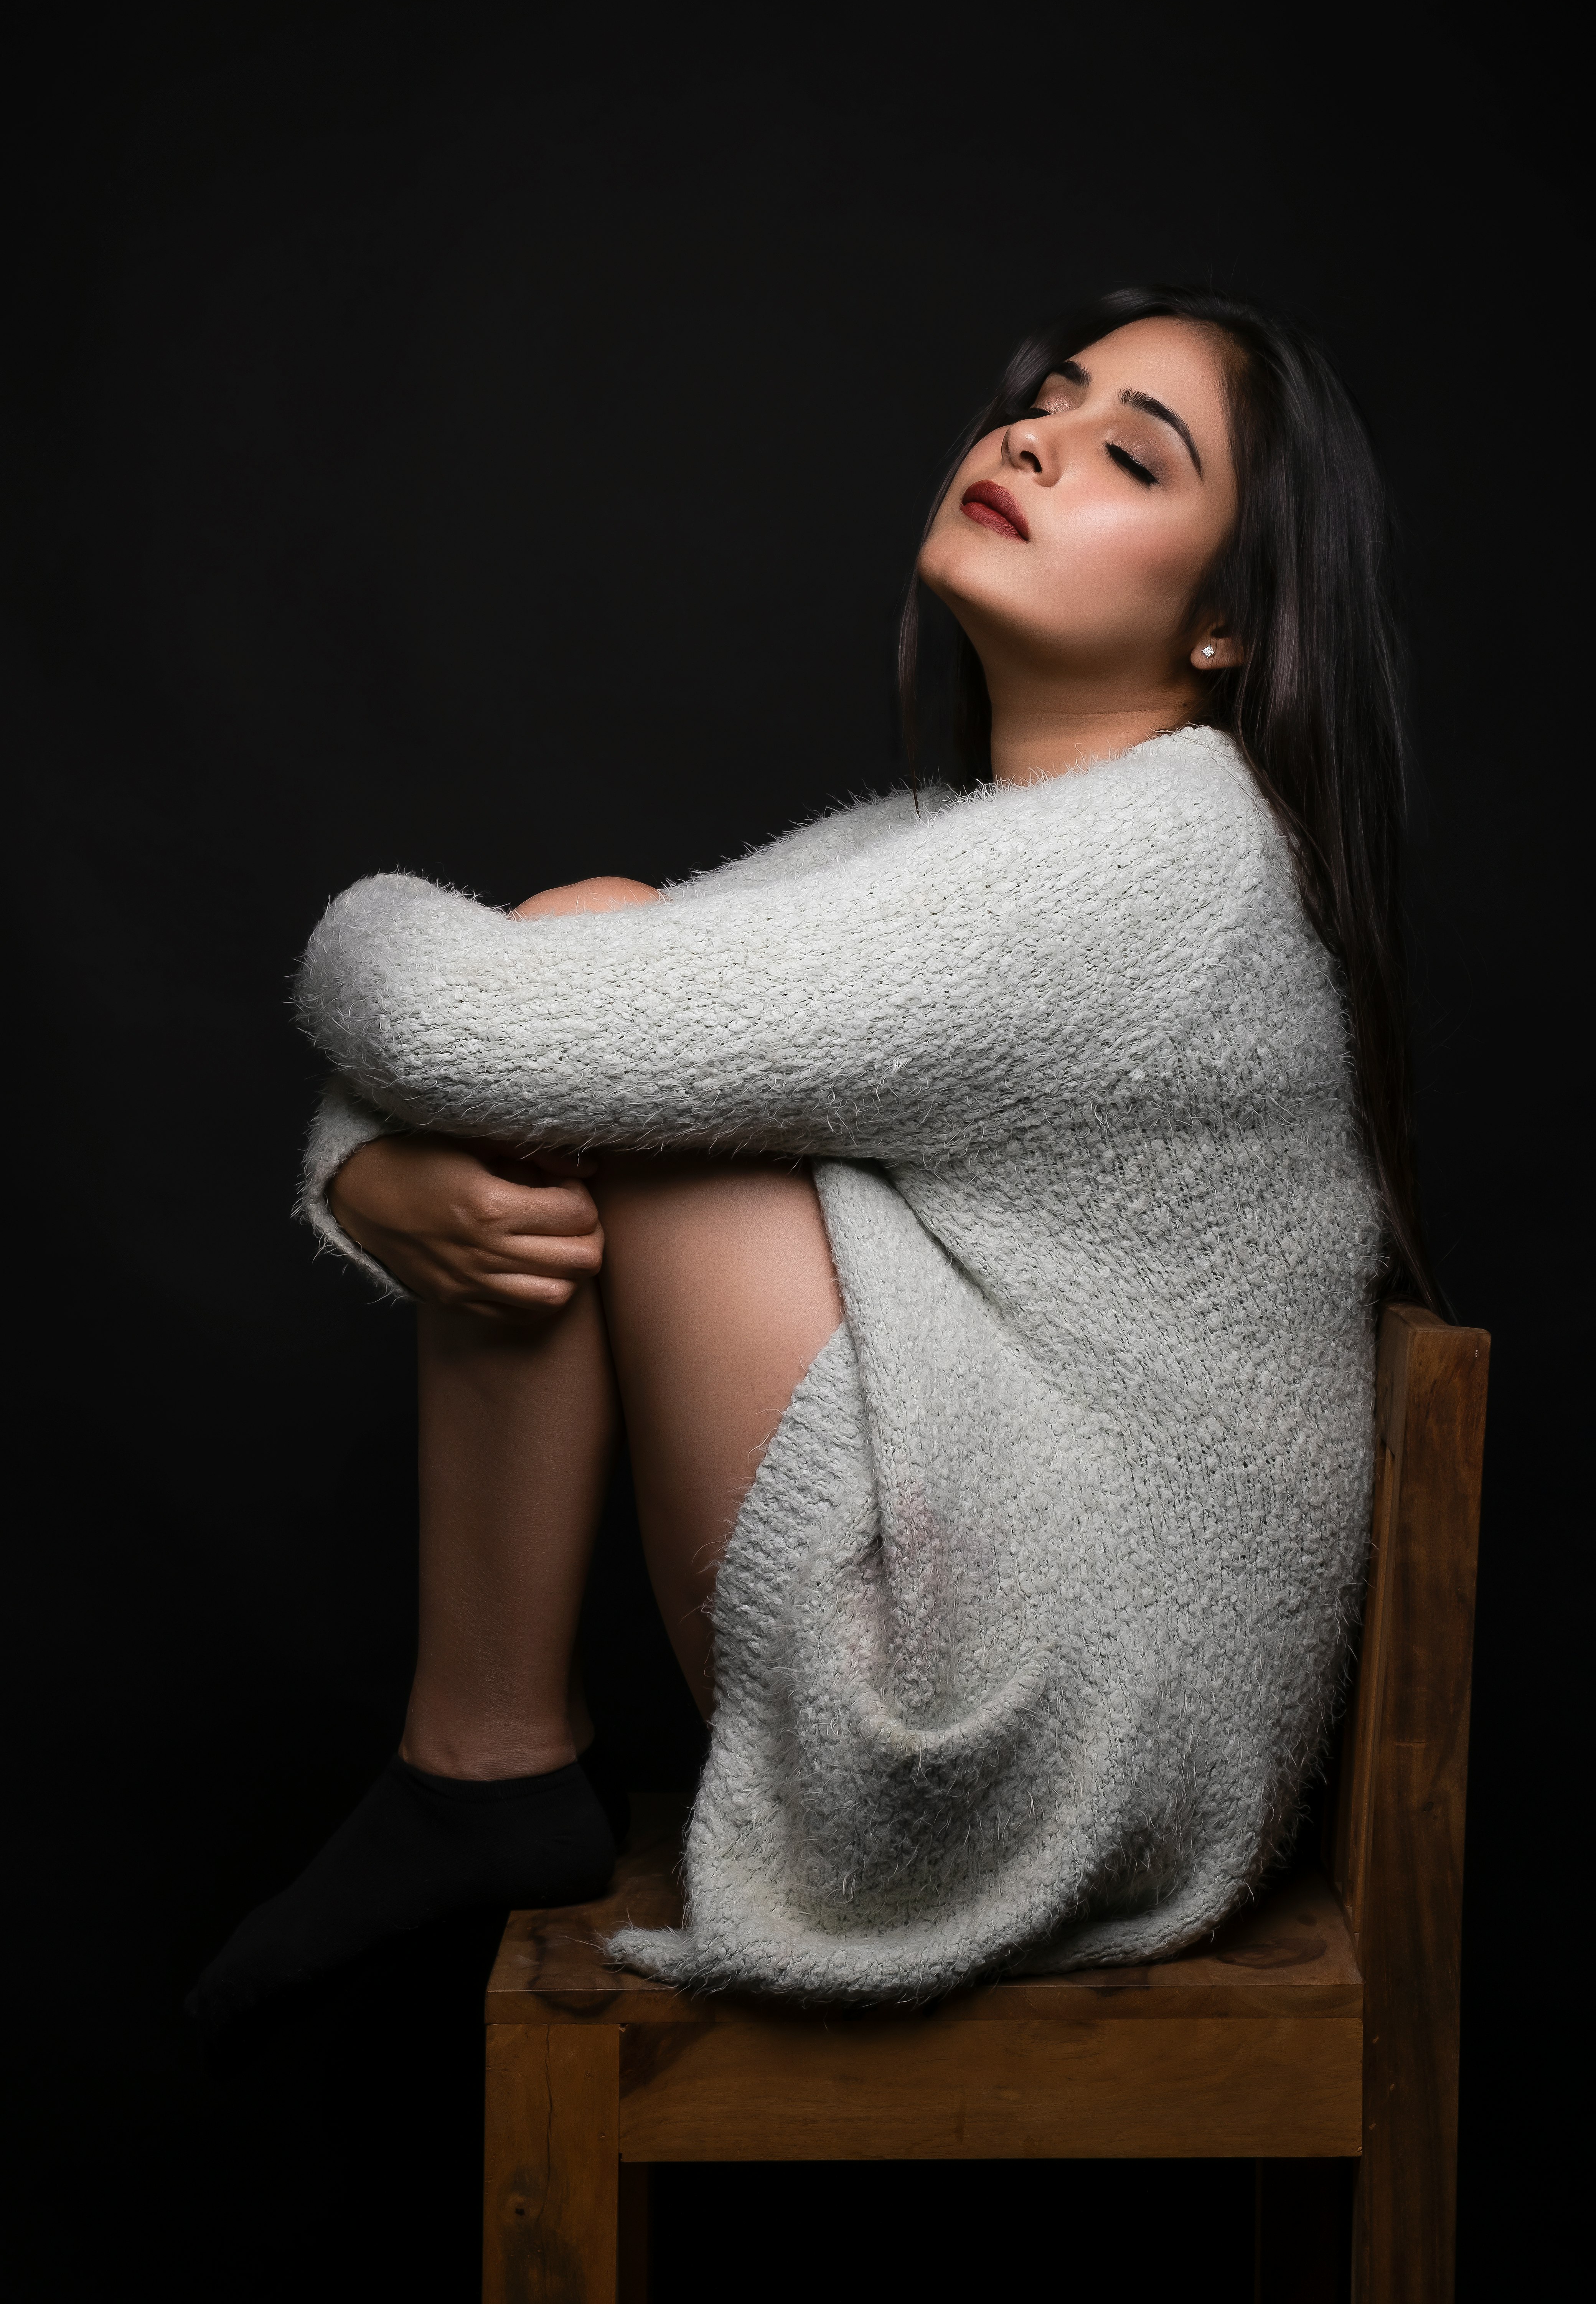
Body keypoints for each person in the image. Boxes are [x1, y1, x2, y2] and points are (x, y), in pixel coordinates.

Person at [193, 285, 1433, 2032]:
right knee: (612, 981)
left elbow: (478, 1024)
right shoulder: (965, 851)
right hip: (1040, 1678)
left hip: (1025, 1735)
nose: (1033, 440)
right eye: (1045, 403)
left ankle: (478, 1771)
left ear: (1226, 623)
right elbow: (533, 1036)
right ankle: (476, 1769)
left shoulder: (1168, 863)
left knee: (614, 1016)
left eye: (1126, 458)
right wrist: (368, 1177)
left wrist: (358, 1033)